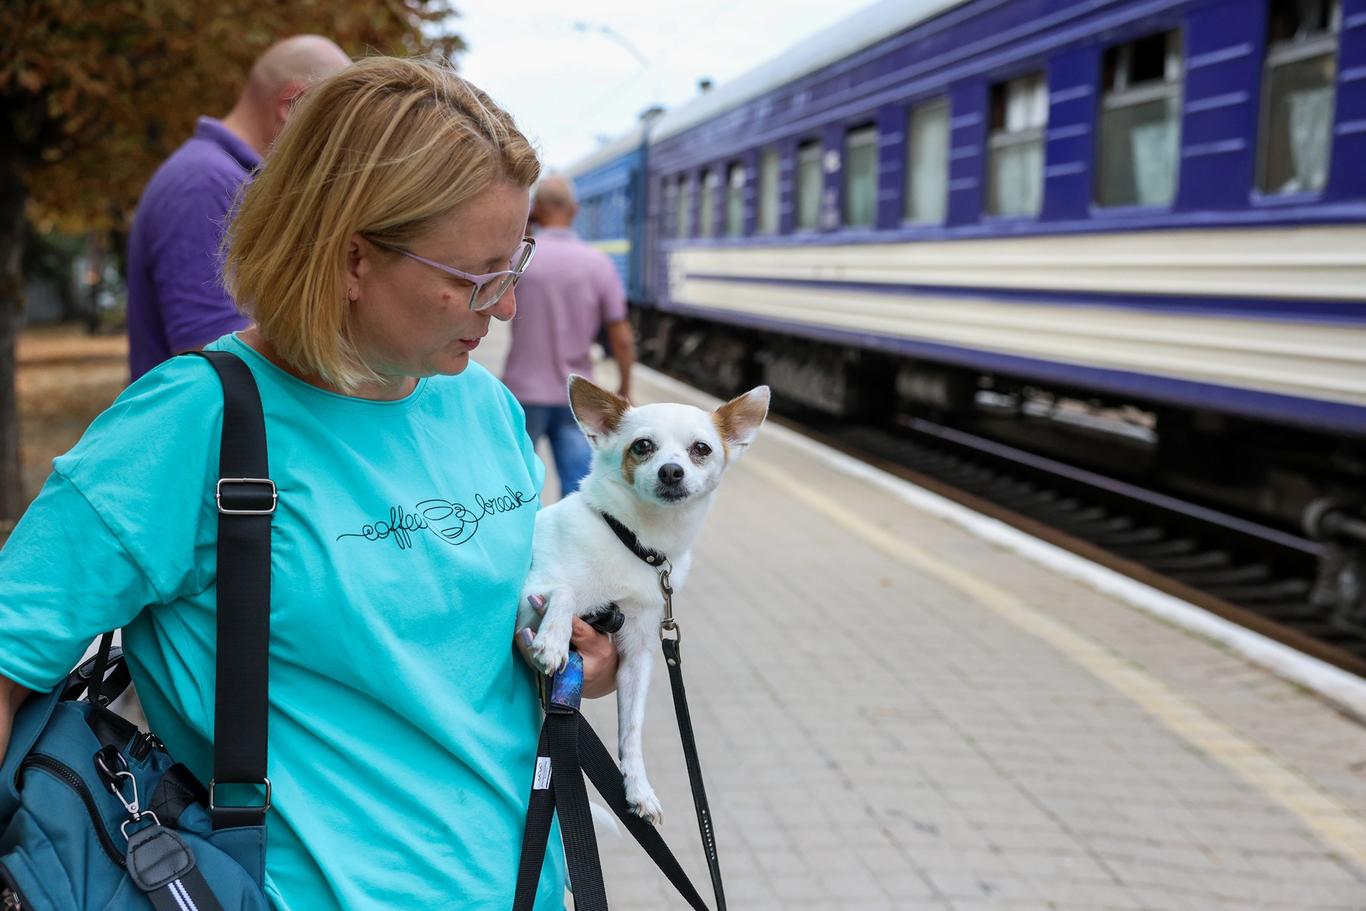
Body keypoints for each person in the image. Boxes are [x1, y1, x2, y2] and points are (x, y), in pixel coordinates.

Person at [0, 57, 617, 910]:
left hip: (530, 884)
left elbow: (458, 638)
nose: (505, 307)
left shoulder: (486, 409)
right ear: (351, 257)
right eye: (475, 279)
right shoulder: (188, 426)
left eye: (515, 265)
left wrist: (565, 645)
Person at [124, 35, 351, 382]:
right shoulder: (205, 183)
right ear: (293, 103)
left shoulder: (223, 178)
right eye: (333, 124)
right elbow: (214, 355)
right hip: (206, 433)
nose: (337, 147)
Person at [502, 174, 636, 494]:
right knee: (579, 491)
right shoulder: (599, 264)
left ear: (535, 209)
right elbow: (622, 337)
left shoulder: (519, 256)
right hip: (577, 398)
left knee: (513, 489)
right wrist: (625, 386)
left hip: (521, 392)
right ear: (574, 210)